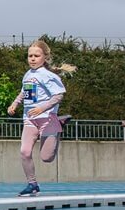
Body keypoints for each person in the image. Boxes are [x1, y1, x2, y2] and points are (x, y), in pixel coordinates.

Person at [6, 39, 77, 197]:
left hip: (47, 118)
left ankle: (59, 124)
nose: (32, 59)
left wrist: (42, 108)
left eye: (36, 56)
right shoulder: (27, 75)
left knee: (46, 158)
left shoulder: (48, 75)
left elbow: (58, 96)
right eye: (30, 55)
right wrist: (14, 104)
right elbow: (24, 92)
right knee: (25, 152)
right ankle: (32, 184)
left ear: (45, 57)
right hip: (30, 119)